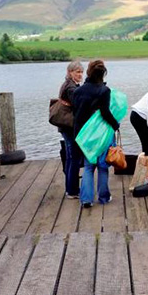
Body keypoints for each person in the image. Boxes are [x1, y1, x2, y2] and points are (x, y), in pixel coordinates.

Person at [70, 60, 120, 208]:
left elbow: (75, 113)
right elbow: (105, 113)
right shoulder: (104, 91)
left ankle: (86, 199)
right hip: (101, 134)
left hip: (83, 134)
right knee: (103, 166)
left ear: (88, 72)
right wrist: (115, 124)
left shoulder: (78, 91)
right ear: (103, 74)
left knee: (88, 166)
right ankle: (104, 197)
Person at [58, 60, 84, 199]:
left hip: (65, 126)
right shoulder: (70, 88)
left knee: (70, 158)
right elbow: (78, 104)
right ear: (70, 72)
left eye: (81, 72)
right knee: (74, 157)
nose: (80, 75)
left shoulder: (69, 85)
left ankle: (70, 188)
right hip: (69, 126)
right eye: (77, 72)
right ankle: (73, 190)